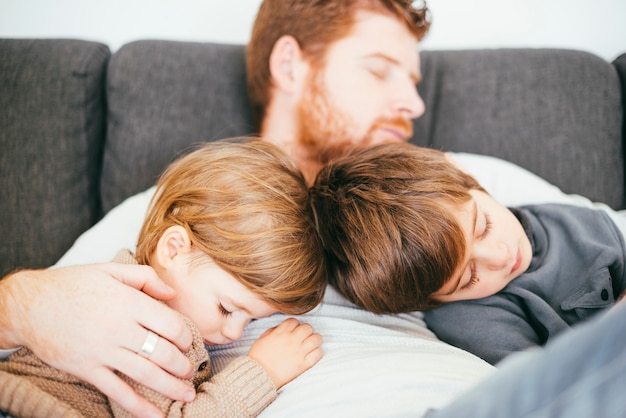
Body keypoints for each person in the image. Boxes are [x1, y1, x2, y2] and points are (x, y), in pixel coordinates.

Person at [0, 2, 431, 415]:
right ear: (289, 65)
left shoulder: (458, 187)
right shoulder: (161, 216)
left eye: (415, 81)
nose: (415, 105)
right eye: (378, 70)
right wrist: (17, 302)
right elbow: (30, 339)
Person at [0, 139, 326, 417]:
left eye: (251, 319)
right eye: (227, 309)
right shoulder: (140, 320)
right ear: (174, 249)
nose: (233, 332)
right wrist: (262, 373)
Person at [309, 142, 626, 366]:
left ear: (468, 178)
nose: (500, 256)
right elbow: (552, 389)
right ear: (433, 301)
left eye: (484, 226)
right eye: (469, 277)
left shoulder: (562, 218)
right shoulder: (476, 323)